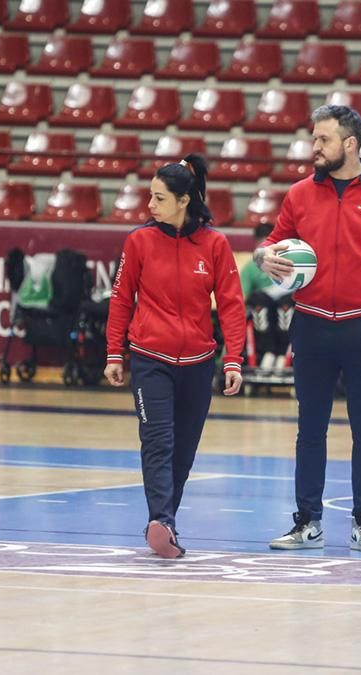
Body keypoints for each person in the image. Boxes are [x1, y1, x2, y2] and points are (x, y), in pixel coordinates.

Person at [255, 105, 361, 553]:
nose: (315, 147)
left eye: (323, 139)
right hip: (310, 326)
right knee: (310, 428)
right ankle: (307, 522)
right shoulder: (299, 194)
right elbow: (272, 243)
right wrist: (262, 257)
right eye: (314, 138)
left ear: (350, 144)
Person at [104, 154, 246, 559]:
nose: (150, 205)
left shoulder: (215, 244)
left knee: (183, 451)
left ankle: (165, 520)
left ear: (184, 200)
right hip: (150, 359)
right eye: (150, 196)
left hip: (199, 364)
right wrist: (115, 352)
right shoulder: (139, 241)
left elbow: (233, 306)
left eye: (159, 198)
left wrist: (233, 360)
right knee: (157, 443)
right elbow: (120, 299)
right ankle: (161, 520)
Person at [239, 222, 294, 370]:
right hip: (263, 305)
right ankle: (268, 352)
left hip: (285, 303)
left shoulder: (287, 262)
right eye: (261, 242)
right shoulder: (251, 267)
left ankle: (283, 353)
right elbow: (243, 295)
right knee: (259, 302)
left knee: (287, 303)